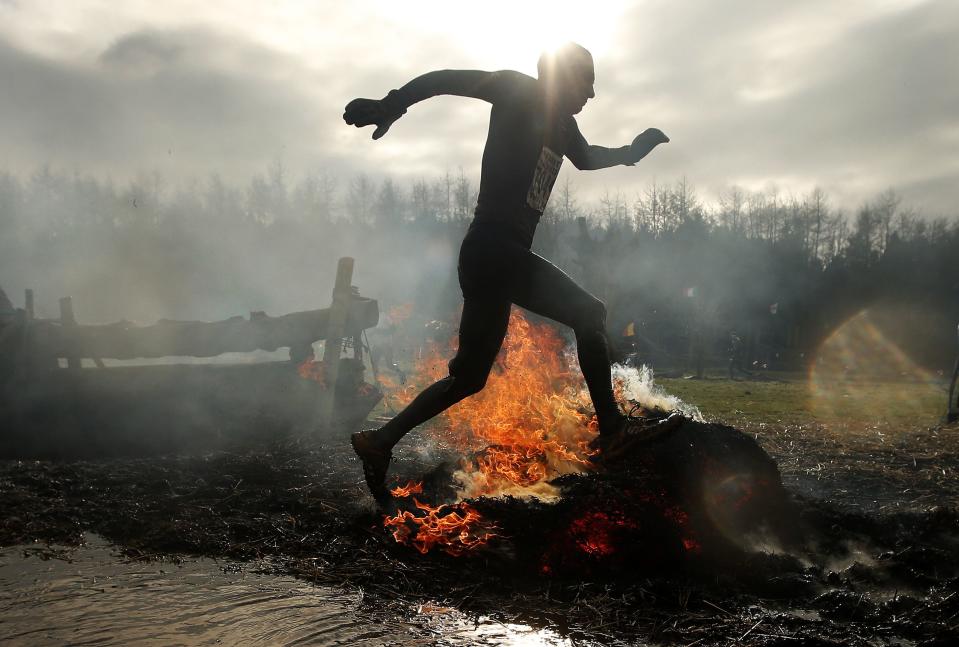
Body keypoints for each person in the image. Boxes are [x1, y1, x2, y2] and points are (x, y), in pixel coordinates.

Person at [344, 43, 673, 500]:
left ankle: (380, 441)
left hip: (489, 258)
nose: (592, 94)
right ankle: (613, 430)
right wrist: (392, 103)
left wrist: (629, 152)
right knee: (591, 314)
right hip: (494, 249)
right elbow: (444, 78)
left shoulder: (564, 125)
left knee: (470, 378)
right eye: (586, 81)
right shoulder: (517, 90)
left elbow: (586, 157)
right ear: (560, 76)